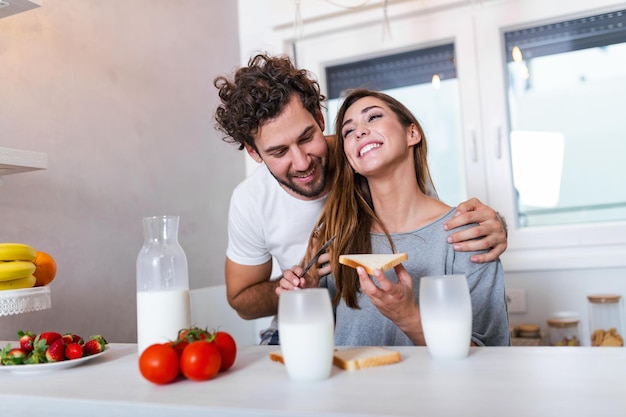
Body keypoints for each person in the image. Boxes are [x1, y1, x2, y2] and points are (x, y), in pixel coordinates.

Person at [213, 54, 508, 345]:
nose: (302, 162)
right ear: (254, 152)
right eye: (279, 152)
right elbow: (242, 300)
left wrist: (494, 225)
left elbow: (429, 224)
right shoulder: (255, 202)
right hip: (302, 325)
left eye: (306, 138)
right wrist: (305, 282)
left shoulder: (360, 153)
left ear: (319, 118)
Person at [278, 89, 510, 347]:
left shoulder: (468, 233)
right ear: (351, 161)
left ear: (412, 133)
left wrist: (409, 318)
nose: (359, 131)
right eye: (348, 131)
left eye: (373, 117)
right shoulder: (336, 239)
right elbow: (323, 345)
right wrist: (308, 299)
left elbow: (489, 357)